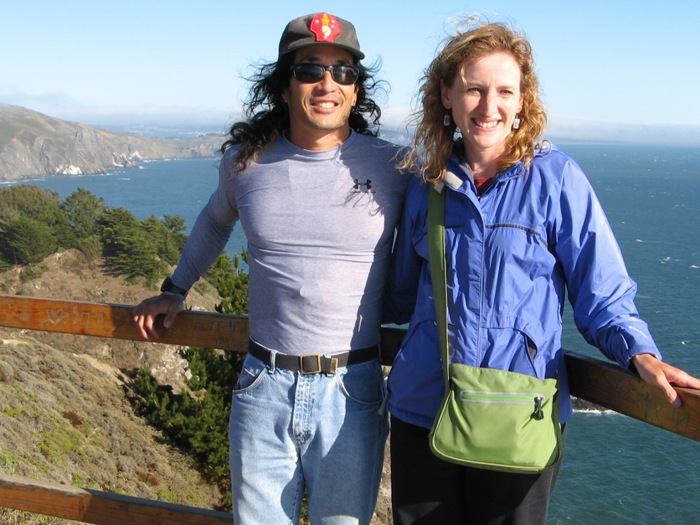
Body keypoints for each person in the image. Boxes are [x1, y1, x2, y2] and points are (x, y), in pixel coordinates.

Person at [383, 19, 700, 525]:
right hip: (425, 409)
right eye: (473, 89)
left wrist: (640, 353)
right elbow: (397, 293)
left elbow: (603, 292)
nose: (489, 106)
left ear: (523, 100)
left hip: (519, 414)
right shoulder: (427, 185)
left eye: (505, 91)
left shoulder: (556, 181)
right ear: (446, 95)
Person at [133, 12, 410, 525]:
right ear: (284, 85)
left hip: (354, 388)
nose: (327, 83)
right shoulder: (246, 162)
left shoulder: (395, 167)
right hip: (263, 386)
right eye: (310, 69)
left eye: (343, 72)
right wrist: (175, 289)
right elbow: (214, 224)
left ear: (355, 90)